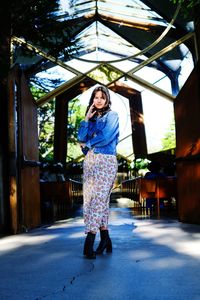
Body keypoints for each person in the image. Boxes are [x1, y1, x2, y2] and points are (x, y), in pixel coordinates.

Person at [77, 85, 119, 259]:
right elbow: (80, 139)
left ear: (107, 99)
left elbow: (107, 137)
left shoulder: (113, 115)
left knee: (99, 199)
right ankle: (105, 239)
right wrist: (86, 119)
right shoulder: (90, 119)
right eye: (96, 97)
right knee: (90, 200)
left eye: (102, 97)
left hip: (106, 160)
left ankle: (89, 242)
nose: (99, 100)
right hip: (90, 162)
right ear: (92, 100)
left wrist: (88, 144)